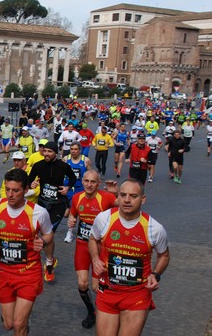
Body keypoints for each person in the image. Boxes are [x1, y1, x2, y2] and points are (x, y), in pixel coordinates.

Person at [88, 179, 170, 336]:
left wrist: (155, 274)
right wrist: (95, 259)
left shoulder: (154, 228)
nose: (126, 200)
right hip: (108, 291)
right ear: (118, 196)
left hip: (137, 294)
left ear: (143, 199)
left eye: (133, 196)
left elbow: (164, 255)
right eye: (123, 195)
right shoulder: (104, 218)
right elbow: (93, 239)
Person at [0, 168, 54, 335]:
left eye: (15, 190)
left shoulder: (38, 213)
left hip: (28, 273)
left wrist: (42, 241)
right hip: (3, 272)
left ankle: (21, 324)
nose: (10, 194)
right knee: (8, 324)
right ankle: (22, 324)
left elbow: (49, 234)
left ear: (25, 190)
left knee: (17, 324)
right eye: (8, 189)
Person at [66, 170, 117, 329]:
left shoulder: (106, 197)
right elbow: (73, 214)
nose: (89, 184)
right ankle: (91, 312)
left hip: (101, 248)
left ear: (98, 183)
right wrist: (71, 221)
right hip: (82, 244)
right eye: (86, 181)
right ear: (82, 181)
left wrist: (116, 192)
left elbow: (126, 206)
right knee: (82, 284)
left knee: (96, 287)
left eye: (93, 182)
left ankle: (108, 310)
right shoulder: (77, 197)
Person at [27, 141, 76, 282]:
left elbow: (73, 178)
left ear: (56, 153)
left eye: (49, 152)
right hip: (42, 204)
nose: (46, 154)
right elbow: (29, 181)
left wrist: (67, 188)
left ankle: (48, 264)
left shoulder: (63, 166)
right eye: (45, 151)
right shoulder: (38, 166)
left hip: (58, 205)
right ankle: (51, 259)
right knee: (44, 234)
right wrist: (32, 183)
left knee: (49, 234)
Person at [63, 142, 92, 243]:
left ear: (79, 150)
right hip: (68, 189)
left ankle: (70, 232)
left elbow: (90, 174)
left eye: (75, 149)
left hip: (80, 190)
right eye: (72, 149)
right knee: (66, 214)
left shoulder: (86, 160)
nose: (73, 151)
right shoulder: (66, 159)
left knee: (75, 212)